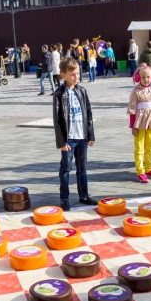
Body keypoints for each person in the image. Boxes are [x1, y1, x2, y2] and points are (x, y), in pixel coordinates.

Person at [53, 57, 97, 211]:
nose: (76, 77)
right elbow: (57, 120)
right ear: (63, 75)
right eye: (72, 74)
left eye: (78, 74)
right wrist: (61, 142)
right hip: (69, 139)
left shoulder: (82, 91)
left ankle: (83, 195)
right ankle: (64, 198)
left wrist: (90, 135)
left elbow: (89, 114)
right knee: (66, 169)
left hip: (82, 137)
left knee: (82, 167)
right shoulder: (59, 93)